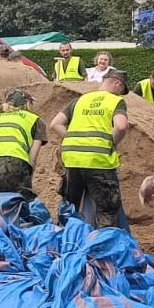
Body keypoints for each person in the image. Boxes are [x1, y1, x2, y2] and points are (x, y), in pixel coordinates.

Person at [50, 68, 130, 229]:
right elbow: (121, 126)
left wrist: (73, 139)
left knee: (70, 205)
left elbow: (55, 124)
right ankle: (102, 246)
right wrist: (111, 142)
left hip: (72, 159)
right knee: (106, 209)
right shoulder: (115, 101)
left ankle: (64, 241)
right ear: (117, 84)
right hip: (98, 161)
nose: (121, 95)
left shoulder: (79, 100)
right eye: (122, 90)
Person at [0, 89, 46, 200]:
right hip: (12, 162)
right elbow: (32, 158)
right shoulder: (34, 119)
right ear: (26, 104)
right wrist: (27, 185)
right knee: (16, 206)